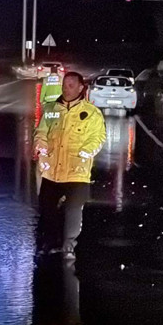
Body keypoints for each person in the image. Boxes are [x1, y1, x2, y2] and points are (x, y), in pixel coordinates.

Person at [34, 71, 106, 259]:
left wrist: (86, 151)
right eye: (64, 85)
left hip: (77, 172)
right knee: (47, 208)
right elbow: (41, 132)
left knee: (73, 211)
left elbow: (98, 137)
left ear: (81, 88)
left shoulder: (91, 113)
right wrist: (40, 145)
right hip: (52, 171)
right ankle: (49, 243)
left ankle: (68, 247)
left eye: (71, 86)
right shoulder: (51, 110)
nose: (66, 89)